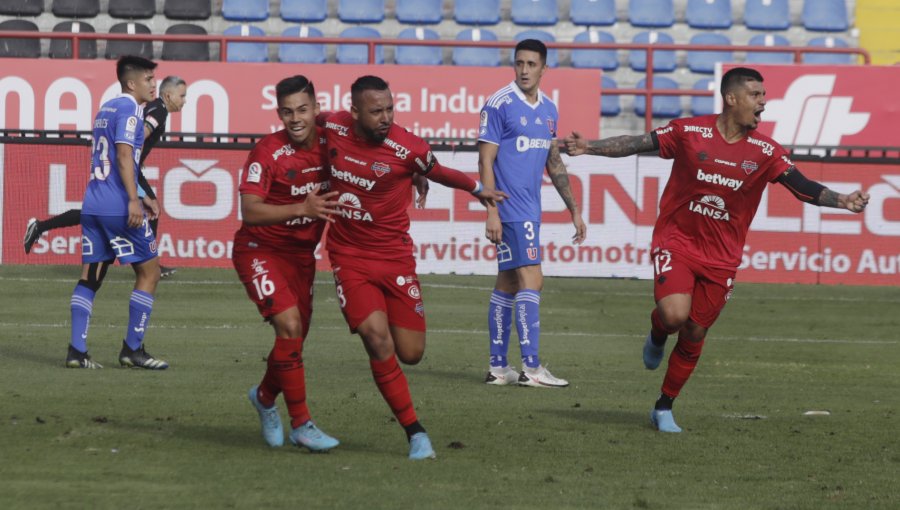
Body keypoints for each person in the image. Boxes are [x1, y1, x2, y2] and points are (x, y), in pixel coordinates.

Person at [564, 67, 870, 432]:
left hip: (721, 258)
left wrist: (843, 200)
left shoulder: (765, 151)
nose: (763, 102)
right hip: (677, 241)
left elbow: (802, 186)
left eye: (763, 95)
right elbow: (637, 143)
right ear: (732, 98)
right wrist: (589, 147)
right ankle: (658, 333)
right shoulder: (689, 132)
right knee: (675, 315)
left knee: (694, 332)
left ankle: (663, 406)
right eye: (756, 95)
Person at [322, 75, 506, 459]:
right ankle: (415, 431)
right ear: (354, 111)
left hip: (394, 257)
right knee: (377, 338)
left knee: (411, 353)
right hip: (349, 255)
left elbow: (438, 170)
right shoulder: (332, 125)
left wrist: (477, 190)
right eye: (376, 111)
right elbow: (303, 130)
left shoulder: (408, 147)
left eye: (390, 108)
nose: (386, 117)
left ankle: (382, 317)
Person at [233, 76, 342, 451]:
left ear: (316, 107)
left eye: (302, 109)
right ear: (278, 112)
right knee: (290, 326)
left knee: (292, 342)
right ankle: (302, 424)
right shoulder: (267, 152)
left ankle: (264, 397)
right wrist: (303, 207)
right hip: (259, 250)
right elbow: (249, 210)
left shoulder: (334, 135)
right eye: (286, 111)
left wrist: (418, 173)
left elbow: (379, 133)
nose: (295, 118)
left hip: (301, 258)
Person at [479, 39, 587, 388]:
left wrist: (574, 210)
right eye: (519, 63)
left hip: (530, 209)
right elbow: (485, 160)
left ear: (543, 68)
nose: (524, 70)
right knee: (532, 280)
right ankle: (533, 369)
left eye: (531, 64)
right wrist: (491, 210)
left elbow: (553, 161)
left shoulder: (549, 110)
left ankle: (499, 368)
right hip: (511, 209)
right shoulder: (498, 104)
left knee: (508, 282)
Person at [24, 75, 188, 278]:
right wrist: (133, 155)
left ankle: (41, 226)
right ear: (169, 95)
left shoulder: (154, 108)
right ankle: (150, 264)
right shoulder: (160, 111)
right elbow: (142, 132)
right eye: (182, 96)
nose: (184, 100)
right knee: (151, 209)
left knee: (95, 211)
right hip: (126, 166)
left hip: (123, 164)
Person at [66, 56, 169, 370]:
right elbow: (125, 157)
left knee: (90, 276)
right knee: (149, 271)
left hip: (94, 202)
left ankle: (77, 351)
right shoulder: (130, 110)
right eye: (150, 79)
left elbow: (112, 157)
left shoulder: (105, 109)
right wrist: (133, 201)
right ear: (132, 83)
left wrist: (141, 195)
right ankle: (132, 350)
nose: (154, 85)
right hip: (116, 207)